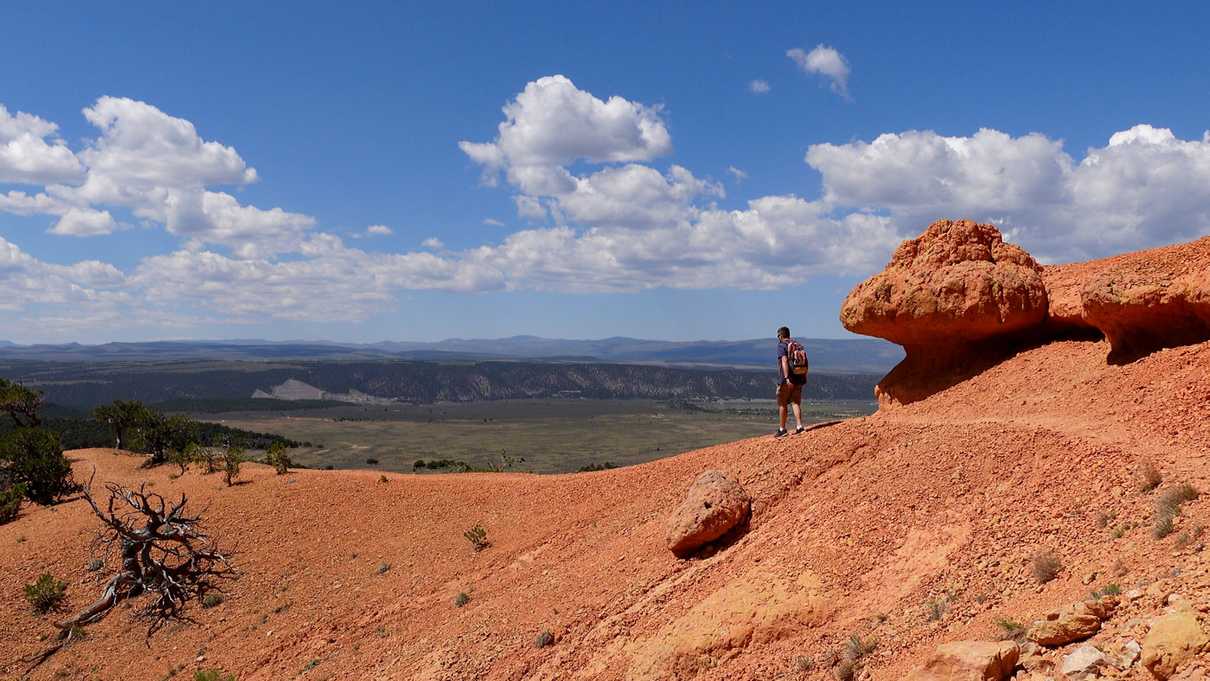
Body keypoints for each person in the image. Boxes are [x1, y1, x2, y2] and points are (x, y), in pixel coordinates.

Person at [774, 326, 808, 437]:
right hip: (799, 377)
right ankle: (799, 427)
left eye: (778, 336)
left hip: (788, 379)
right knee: (796, 402)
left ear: (781, 335)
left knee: (782, 403)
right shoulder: (798, 345)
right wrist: (804, 376)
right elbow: (806, 361)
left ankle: (782, 429)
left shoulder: (782, 345)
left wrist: (786, 377)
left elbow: (784, 360)